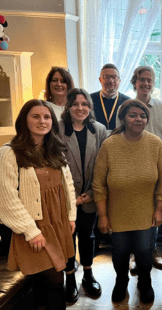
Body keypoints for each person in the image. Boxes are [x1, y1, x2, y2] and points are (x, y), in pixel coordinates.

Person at [0, 99, 77, 309]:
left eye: (47, 117)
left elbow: (67, 186)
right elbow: (6, 198)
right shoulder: (9, 152)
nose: (42, 121)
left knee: (47, 283)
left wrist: (71, 216)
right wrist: (30, 231)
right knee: (53, 281)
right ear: (24, 120)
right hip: (34, 227)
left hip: (58, 223)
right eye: (35, 116)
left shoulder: (54, 149)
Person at [92, 99, 162, 303]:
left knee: (144, 252)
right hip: (117, 213)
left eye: (142, 116)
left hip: (146, 211)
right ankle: (121, 281)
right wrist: (102, 215)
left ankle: (145, 281)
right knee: (119, 253)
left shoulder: (155, 143)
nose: (138, 119)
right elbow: (98, 184)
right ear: (123, 118)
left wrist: (158, 208)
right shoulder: (109, 144)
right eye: (133, 115)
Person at [58, 88, 108, 302]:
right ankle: (70, 278)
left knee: (88, 236)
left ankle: (88, 274)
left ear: (90, 107)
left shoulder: (99, 130)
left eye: (85, 104)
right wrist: (72, 197)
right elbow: (54, 166)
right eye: (76, 104)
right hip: (64, 198)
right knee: (67, 239)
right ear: (68, 106)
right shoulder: (57, 129)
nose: (80, 108)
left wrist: (90, 193)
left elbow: (103, 165)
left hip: (90, 196)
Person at [125, 65, 162, 270]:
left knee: (155, 209)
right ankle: (134, 254)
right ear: (134, 82)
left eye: (149, 80)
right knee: (132, 208)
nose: (146, 83)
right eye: (141, 79)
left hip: (156, 167)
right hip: (131, 167)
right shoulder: (125, 105)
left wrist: (159, 159)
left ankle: (151, 249)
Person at [90, 63, 130, 130]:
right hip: (96, 139)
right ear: (100, 80)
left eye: (114, 77)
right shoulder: (88, 99)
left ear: (119, 81)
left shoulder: (128, 102)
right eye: (107, 77)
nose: (111, 81)